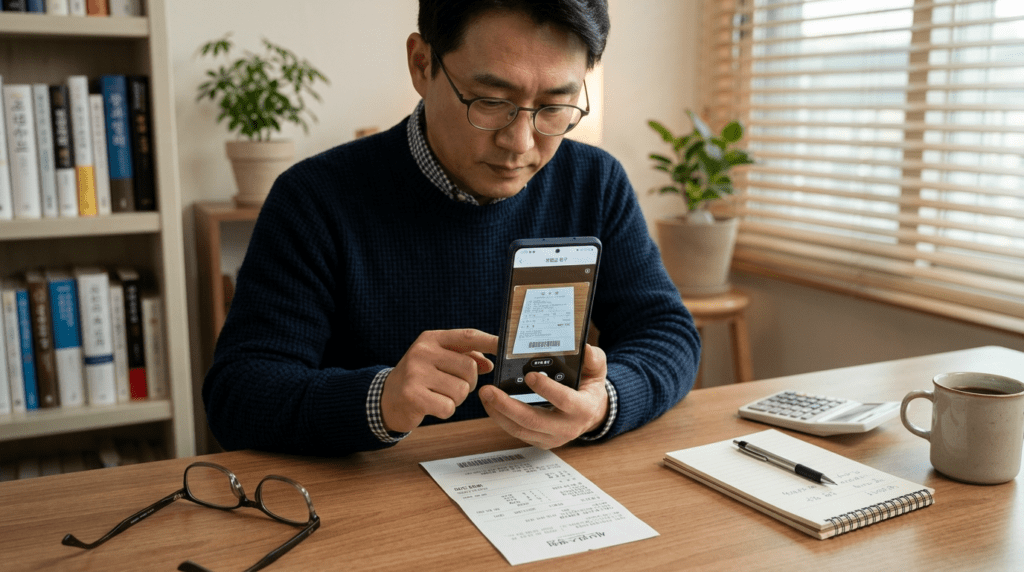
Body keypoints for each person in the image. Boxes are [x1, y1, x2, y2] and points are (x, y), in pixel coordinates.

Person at [203, 0, 700, 456]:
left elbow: (667, 332)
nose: (520, 141)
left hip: (541, 494)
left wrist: (603, 403)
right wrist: (379, 399)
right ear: (422, 64)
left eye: (554, 107)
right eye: (490, 100)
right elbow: (238, 392)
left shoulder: (594, 181)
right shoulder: (315, 199)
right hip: (375, 508)